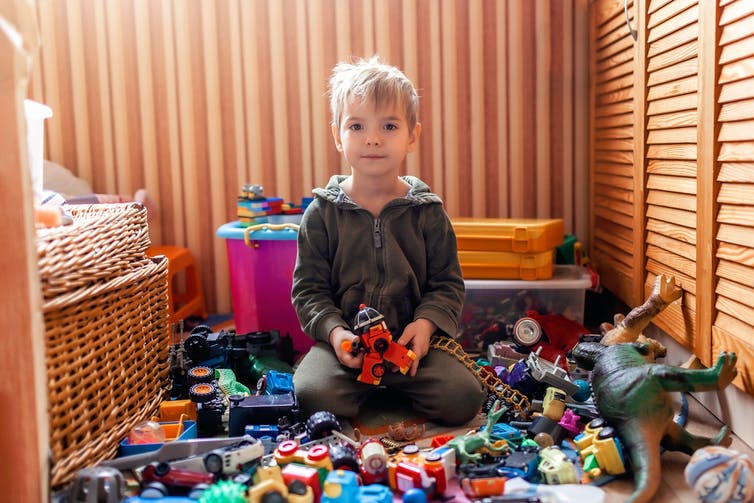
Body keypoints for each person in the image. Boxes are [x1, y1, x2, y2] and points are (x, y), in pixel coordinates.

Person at [291, 56, 485, 426]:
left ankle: (389, 389)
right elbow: (308, 291)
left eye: (390, 125)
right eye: (357, 126)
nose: (373, 138)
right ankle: (371, 388)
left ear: (412, 135)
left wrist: (426, 325)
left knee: (464, 397)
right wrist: (335, 333)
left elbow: (446, 284)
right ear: (337, 135)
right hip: (346, 349)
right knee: (312, 395)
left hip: (412, 348)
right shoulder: (321, 214)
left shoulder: (427, 213)